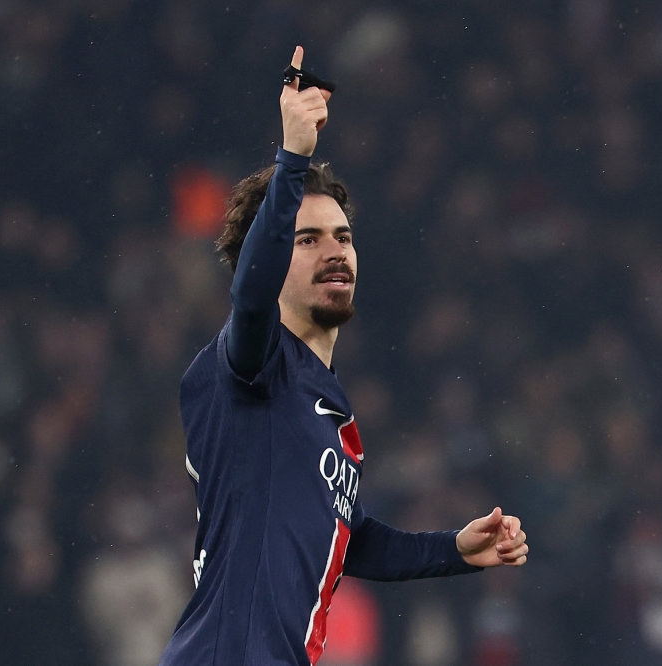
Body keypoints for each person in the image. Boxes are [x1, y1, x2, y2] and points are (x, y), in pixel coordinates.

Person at [158, 46, 528, 666]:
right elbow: (250, 300)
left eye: (344, 237)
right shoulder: (249, 364)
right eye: (307, 239)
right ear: (267, 258)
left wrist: (452, 551)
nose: (335, 251)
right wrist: (292, 158)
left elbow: (345, 540)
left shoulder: (321, 401)